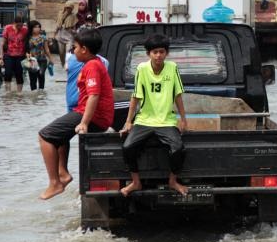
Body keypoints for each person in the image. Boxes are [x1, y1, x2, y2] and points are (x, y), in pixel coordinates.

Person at [38, 29, 114, 200]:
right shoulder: (92, 64)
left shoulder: (93, 66)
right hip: (90, 113)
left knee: (44, 136)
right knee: (58, 136)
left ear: (85, 49)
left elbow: (94, 95)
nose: (73, 51)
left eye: (75, 47)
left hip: (93, 115)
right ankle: (63, 174)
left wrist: (85, 122)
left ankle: (55, 183)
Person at [119, 34, 188, 197]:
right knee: (128, 147)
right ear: (148, 53)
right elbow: (135, 96)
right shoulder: (142, 69)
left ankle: (172, 181)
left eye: (162, 52)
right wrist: (128, 122)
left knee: (178, 148)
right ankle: (136, 182)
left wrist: (183, 119)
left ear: (167, 53)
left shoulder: (172, 68)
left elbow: (178, 95)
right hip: (144, 120)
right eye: (155, 52)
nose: (158, 55)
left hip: (166, 121)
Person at [65, 47, 109, 112]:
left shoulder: (69, 57)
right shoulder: (102, 61)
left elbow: (66, 68)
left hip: (74, 100)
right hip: (81, 101)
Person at [1, 14, 28, 92]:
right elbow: (3, 42)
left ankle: (19, 92)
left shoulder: (25, 29)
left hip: (20, 55)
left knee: (19, 74)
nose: (20, 27)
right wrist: (1, 55)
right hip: (8, 54)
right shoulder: (7, 28)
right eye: (18, 25)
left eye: (21, 25)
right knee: (8, 73)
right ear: (14, 23)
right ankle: (8, 92)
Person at [25, 20, 53, 91]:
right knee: (32, 79)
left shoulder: (43, 37)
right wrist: (27, 56)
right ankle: (34, 97)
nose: (38, 28)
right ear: (31, 28)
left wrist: (51, 59)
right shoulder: (28, 38)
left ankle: (41, 95)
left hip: (42, 60)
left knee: (41, 76)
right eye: (35, 27)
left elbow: (47, 49)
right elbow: (26, 50)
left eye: (39, 27)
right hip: (32, 61)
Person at [55, 1, 78, 68]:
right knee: (61, 52)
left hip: (69, 36)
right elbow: (58, 25)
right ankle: (63, 63)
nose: (68, 9)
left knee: (68, 52)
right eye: (67, 7)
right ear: (65, 7)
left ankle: (67, 65)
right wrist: (55, 34)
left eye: (70, 8)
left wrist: (73, 31)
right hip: (61, 35)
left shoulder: (73, 16)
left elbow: (74, 28)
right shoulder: (60, 14)